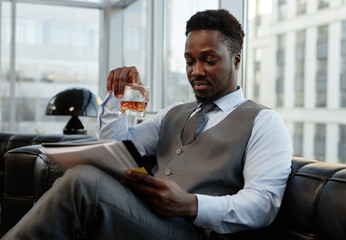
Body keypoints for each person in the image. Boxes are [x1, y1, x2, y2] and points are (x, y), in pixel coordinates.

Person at [2, 9, 292, 240]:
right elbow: (117, 146)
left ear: (237, 60)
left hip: (191, 230)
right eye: (189, 61)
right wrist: (118, 96)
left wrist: (191, 205)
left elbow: (264, 203)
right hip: (142, 217)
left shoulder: (264, 122)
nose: (196, 71)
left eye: (209, 60)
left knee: (83, 182)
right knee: (83, 173)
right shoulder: (174, 113)